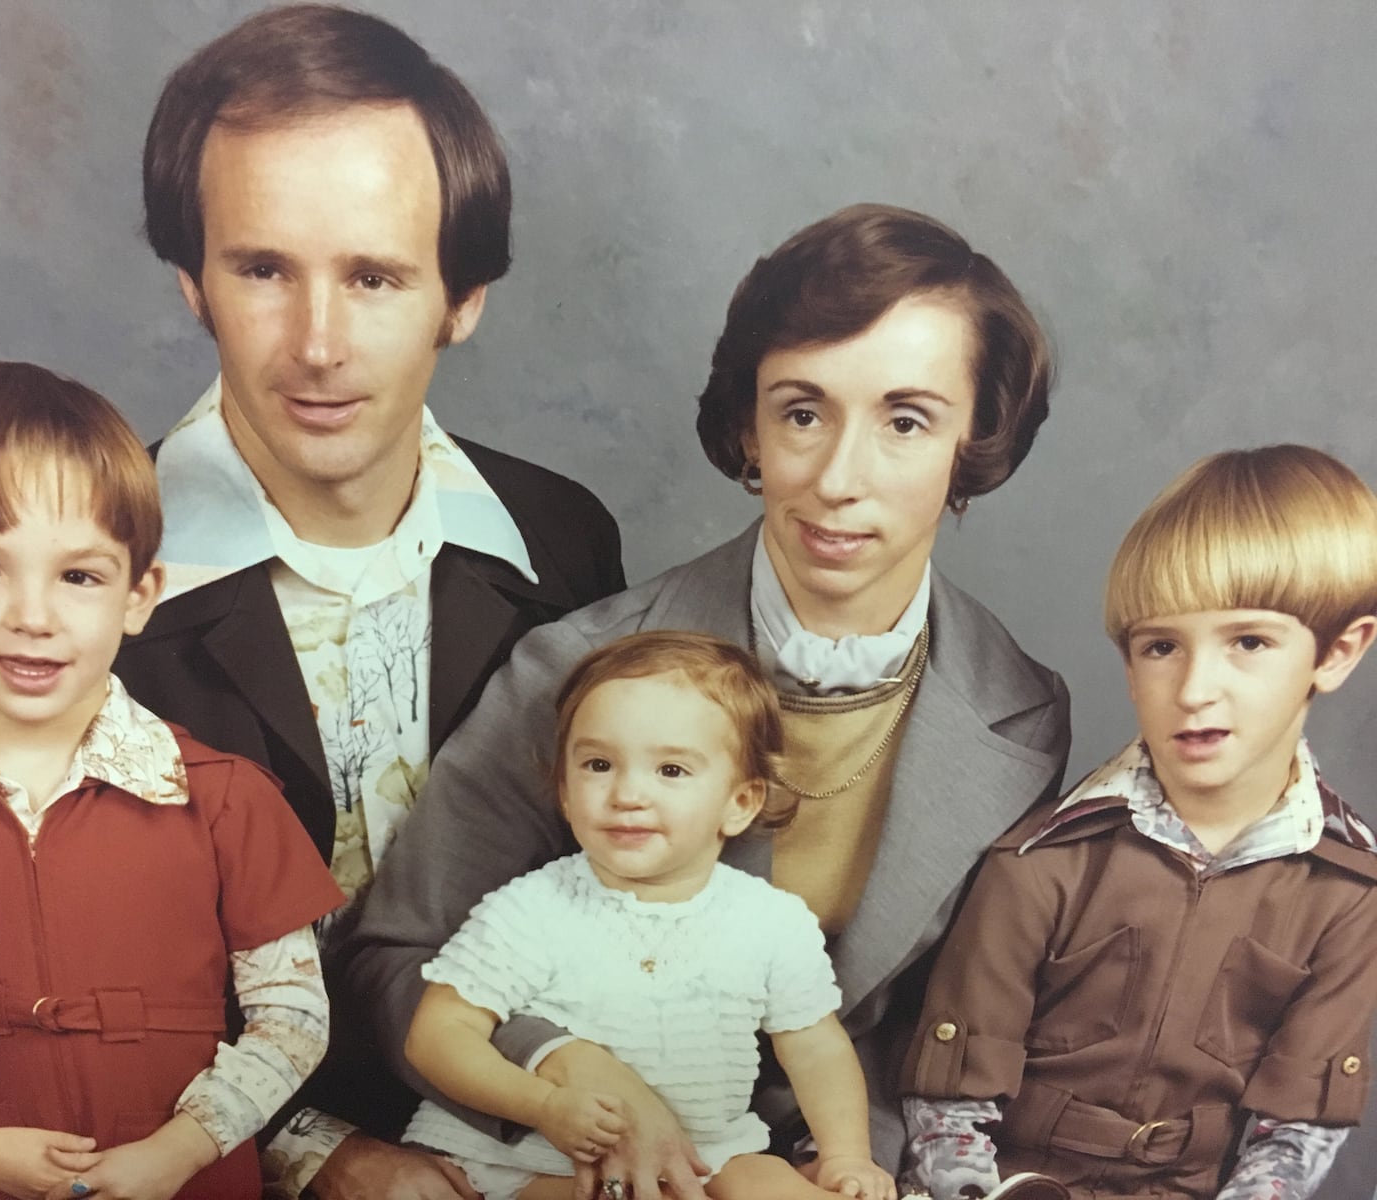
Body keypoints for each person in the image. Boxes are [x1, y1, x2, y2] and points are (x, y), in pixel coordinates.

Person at [349, 202, 1072, 1199]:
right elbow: (395, 958)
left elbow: (931, 1030)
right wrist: (566, 1063)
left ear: (972, 443)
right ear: (749, 427)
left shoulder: (1020, 717)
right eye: (802, 412)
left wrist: (845, 1163)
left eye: (905, 421)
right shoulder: (584, 664)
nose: (836, 479)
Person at [110, 6, 628, 1198]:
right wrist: (314, 1154)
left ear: (464, 297)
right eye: (262, 269)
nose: (319, 343)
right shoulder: (74, 579)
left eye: (376, 276)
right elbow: (34, 973)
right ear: (192, 281)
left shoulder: (563, 543)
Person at [0, 362, 345, 1200]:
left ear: (139, 593)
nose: (32, 615)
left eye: (78, 576)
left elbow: (294, 1017)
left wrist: (183, 1150)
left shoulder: (225, 798)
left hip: (190, 1180)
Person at [899, 445, 1377, 1200]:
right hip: (1016, 1184)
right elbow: (950, 1103)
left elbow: (1292, 1134)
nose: (1194, 689)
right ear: (1128, 664)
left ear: (1338, 652)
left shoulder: (1351, 893)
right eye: (1161, 647)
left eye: (1248, 642)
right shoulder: (1039, 859)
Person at [403, 632, 896, 1200]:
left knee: (778, 1188)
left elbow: (814, 1047)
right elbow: (438, 1034)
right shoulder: (532, 909)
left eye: (671, 771)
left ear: (740, 803)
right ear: (564, 792)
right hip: (541, 1157)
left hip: (705, 1150)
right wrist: (542, 1103)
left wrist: (845, 1156)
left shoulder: (770, 921)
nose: (628, 793)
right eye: (598, 764)